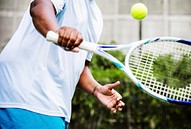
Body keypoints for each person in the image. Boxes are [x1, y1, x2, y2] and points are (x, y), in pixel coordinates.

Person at [0, 0, 125, 129]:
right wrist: (57, 31)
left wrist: (96, 89)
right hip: (24, 101)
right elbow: (39, 6)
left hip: (55, 109)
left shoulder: (96, 17)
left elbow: (79, 66)